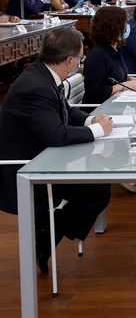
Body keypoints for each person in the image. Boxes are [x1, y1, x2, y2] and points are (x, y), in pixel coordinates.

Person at [0, 26, 113, 273]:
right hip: (26, 169)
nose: (82, 61)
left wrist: (89, 121)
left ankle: (48, 233)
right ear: (70, 61)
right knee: (95, 192)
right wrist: (98, 132)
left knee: (99, 188)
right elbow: (56, 134)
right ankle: (48, 235)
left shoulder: (43, 74)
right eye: (81, 58)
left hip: (45, 157)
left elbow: (63, 111)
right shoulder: (35, 86)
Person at [82, 6, 136, 104]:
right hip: (100, 111)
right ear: (114, 26)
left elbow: (111, 78)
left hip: (116, 103)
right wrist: (125, 85)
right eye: (125, 23)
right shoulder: (98, 56)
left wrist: (129, 80)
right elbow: (94, 95)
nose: (127, 26)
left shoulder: (115, 49)